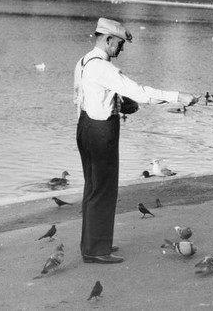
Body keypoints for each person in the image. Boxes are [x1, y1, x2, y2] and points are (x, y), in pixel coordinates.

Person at [74, 17, 198, 264]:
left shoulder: (83, 62)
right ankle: (97, 251)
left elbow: (84, 97)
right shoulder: (104, 67)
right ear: (108, 40)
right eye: (120, 44)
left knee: (92, 188)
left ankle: (93, 244)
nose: (122, 49)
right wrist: (178, 96)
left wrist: (117, 103)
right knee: (104, 191)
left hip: (84, 127)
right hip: (101, 132)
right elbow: (141, 93)